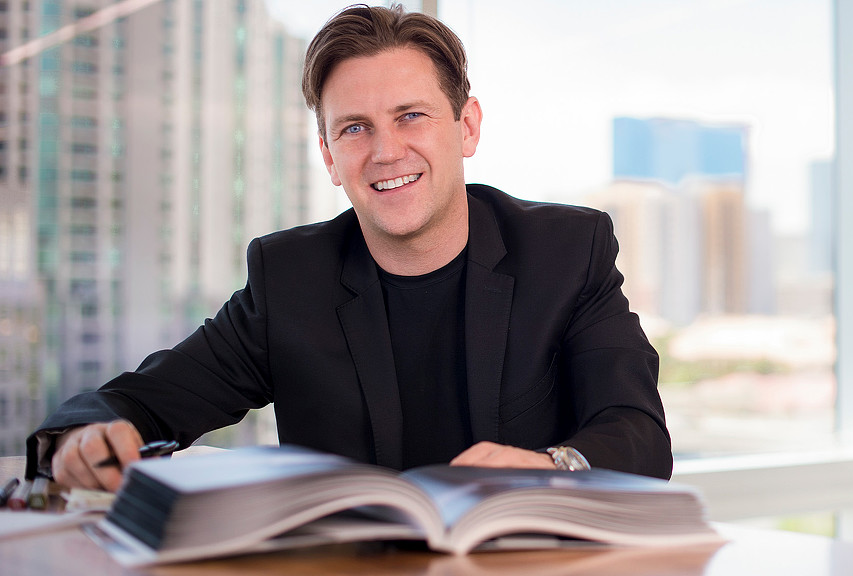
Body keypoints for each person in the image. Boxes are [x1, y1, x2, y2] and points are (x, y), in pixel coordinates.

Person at [26, 4, 672, 491]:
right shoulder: (289, 278)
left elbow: (638, 436)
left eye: (410, 116)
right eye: (355, 128)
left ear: (466, 127)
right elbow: (142, 400)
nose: (386, 151)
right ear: (329, 156)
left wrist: (550, 466)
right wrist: (83, 437)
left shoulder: (565, 250)